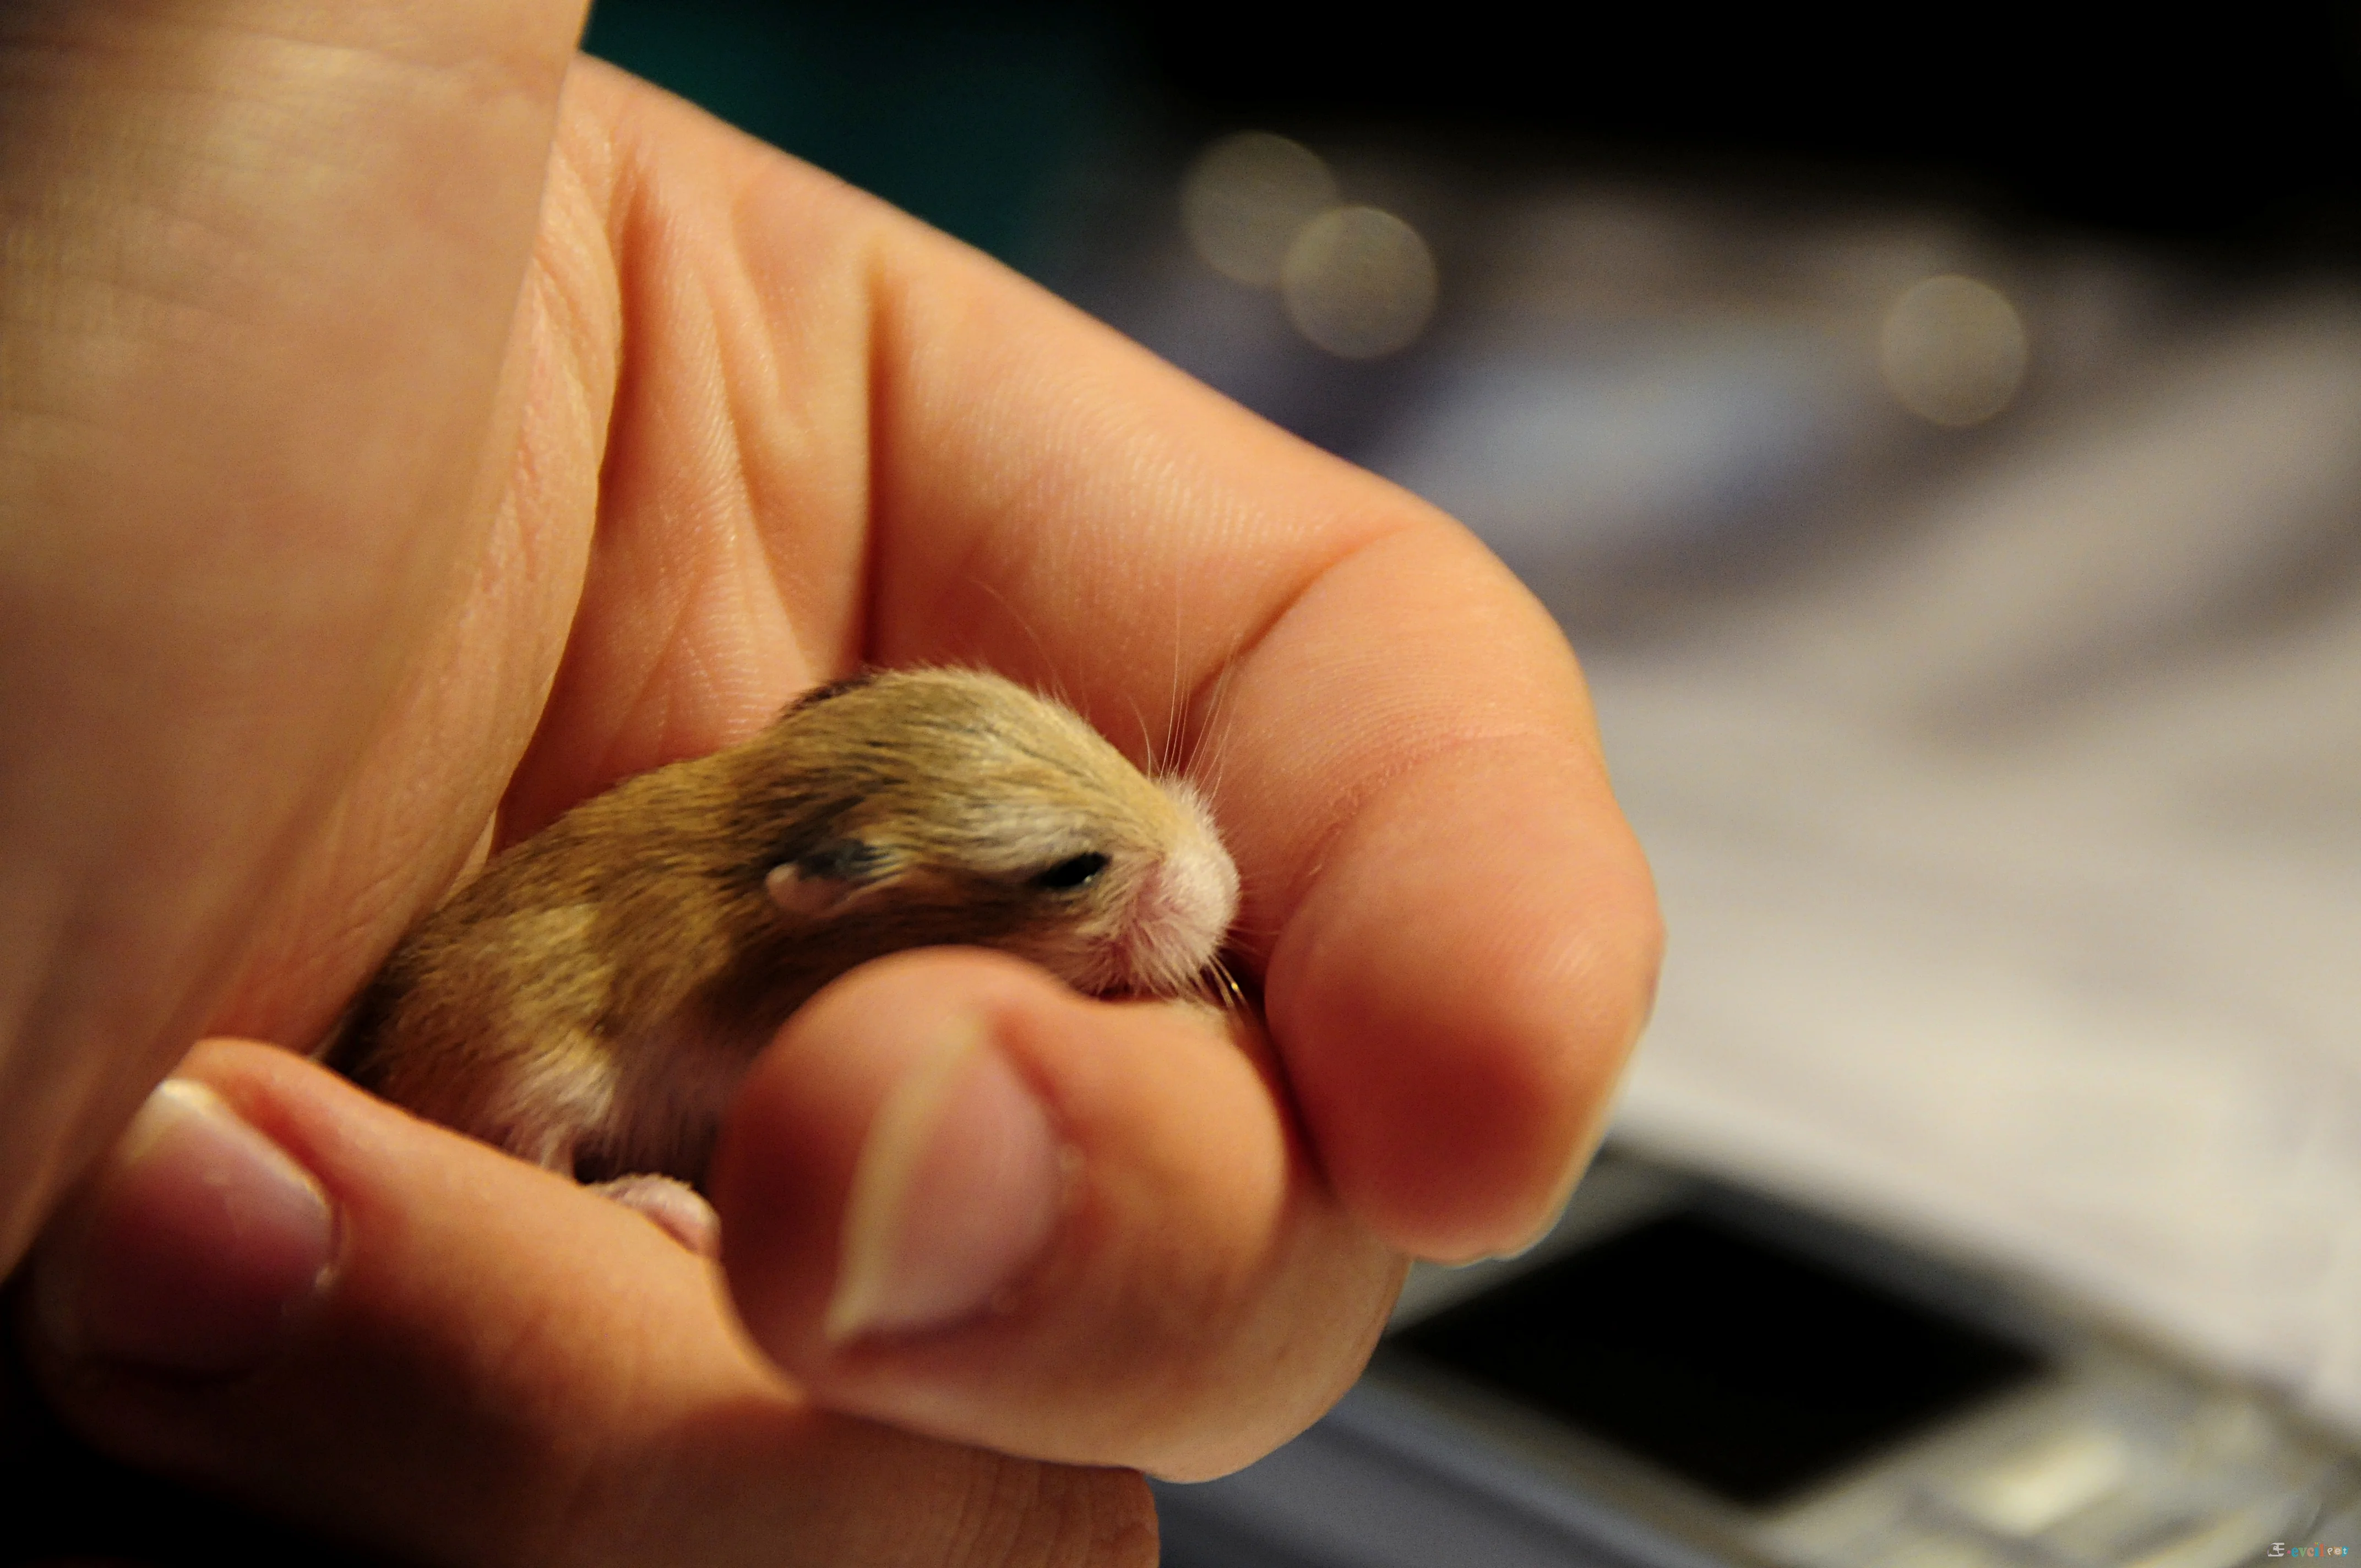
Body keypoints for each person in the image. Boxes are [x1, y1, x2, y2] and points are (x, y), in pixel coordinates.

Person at [0, 3, 1661, 1561]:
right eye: (1072, 875)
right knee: (546, 1107)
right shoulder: (765, 950)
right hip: (499, 1061)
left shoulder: (823, 896)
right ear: (832, 896)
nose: (1185, 872)